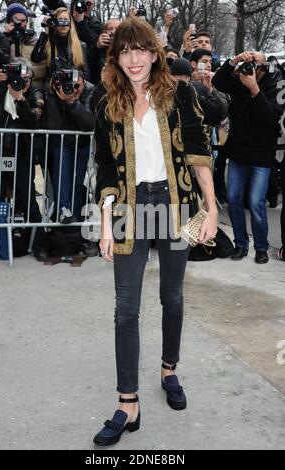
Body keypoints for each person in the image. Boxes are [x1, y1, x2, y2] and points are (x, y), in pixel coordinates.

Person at [93, 17, 217, 446]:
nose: (133, 59)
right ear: (116, 57)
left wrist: (212, 209)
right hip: (129, 206)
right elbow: (106, 167)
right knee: (125, 307)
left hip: (176, 205)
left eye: (140, 50)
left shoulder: (179, 93)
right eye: (125, 52)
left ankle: (169, 370)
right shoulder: (106, 102)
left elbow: (199, 151)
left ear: (154, 53)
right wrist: (107, 222)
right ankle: (128, 403)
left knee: (172, 295)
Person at [212, 51, 283, 264]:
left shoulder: (275, 85)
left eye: (256, 64)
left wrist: (255, 89)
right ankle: (241, 244)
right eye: (248, 64)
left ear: (265, 68)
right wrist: (232, 62)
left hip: (261, 154)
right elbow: (218, 81)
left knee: (256, 202)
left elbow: (270, 117)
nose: (251, 69)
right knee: (233, 199)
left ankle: (261, 247)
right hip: (238, 151)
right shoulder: (239, 81)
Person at [0, 58, 46, 259]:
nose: (22, 83)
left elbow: (32, 122)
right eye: (18, 79)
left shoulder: (35, 95)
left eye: (26, 80)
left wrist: (20, 99)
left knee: (28, 201)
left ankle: (39, 244)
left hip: (21, 156)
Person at [41, 69, 95, 224]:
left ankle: (75, 228)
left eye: (77, 86)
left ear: (84, 82)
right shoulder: (55, 91)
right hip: (61, 144)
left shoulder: (91, 90)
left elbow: (88, 124)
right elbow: (53, 126)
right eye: (71, 86)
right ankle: (64, 212)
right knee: (61, 182)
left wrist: (72, 102)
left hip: (82, 143)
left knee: (77, 186)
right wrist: (54, 96)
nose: (74, 90)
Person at [31, 6, 91, 86]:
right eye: (60, 20)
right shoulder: (49, 44)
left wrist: (71, 72)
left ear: (70, 23)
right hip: (53, 88)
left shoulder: (81, 45)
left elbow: (87, 75)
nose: (63, 23)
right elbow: (36, 58)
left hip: (73, 87)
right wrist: (46, 31)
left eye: (66, 20)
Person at [87, 18, 121, 84]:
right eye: (110, 29)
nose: (113, 32)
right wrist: (97, 47)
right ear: (105, 32)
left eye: (117, 28)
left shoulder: (127, 47)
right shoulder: (99, 48)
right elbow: (90, 65)